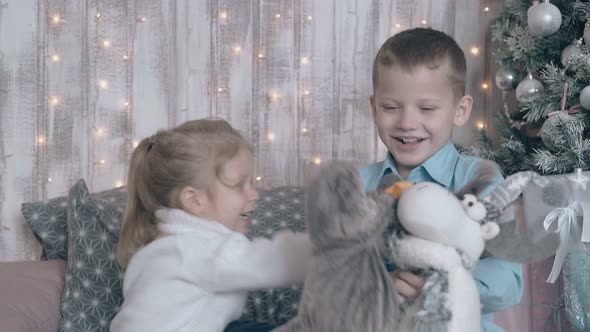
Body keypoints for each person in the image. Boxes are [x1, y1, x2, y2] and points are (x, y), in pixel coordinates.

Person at [360, 28, 523, 332]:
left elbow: (509, 281)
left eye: (427, 108)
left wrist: (442, 287)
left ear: (460, 111)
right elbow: (330, 273)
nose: (407, 123)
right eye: (391, 107)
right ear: (374, 108)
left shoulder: (481, 179)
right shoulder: (357, 186)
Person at [110, 119, 311, 332]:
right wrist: (327, 247)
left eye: (251, 183)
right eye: (239, 185)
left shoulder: (157, 250)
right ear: (195, 200)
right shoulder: (198, 246)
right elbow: (270, 262)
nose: (253, 194)